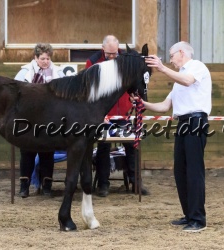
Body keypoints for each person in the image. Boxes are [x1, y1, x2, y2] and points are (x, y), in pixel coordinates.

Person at [132, 41, 211, 232]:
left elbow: (188, 81)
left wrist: (161, 68)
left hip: (196, 121)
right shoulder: (178, 80)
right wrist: (142, 103)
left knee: (194, 170)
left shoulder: (196, 67)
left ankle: (198, 219)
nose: (170, 59)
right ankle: (189, 214)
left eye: (172, 55)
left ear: (181, 52)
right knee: (180, 171)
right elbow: (165, 107)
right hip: (183, 123)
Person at [86, 35, 149, 197]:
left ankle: (136, 181)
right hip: (104, 114)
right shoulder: (93, 62)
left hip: (124, 113)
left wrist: (135, 97)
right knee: (103, 147)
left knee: (131, 146)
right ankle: (103, 184)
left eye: (115, 53)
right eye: (109, 54)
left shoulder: (126, 60)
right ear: (103, 49)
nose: (112, 57)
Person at [14, 43, 65, 198]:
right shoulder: (24, 73)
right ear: (35, 58)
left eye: (48, 58)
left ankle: (47, 186)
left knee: (47, 153)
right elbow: (16, 93)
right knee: (27, 153)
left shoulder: (58, 73)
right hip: (29, 119)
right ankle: (24, 187)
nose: (45, 61)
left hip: (49, 119)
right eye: (42, 58)